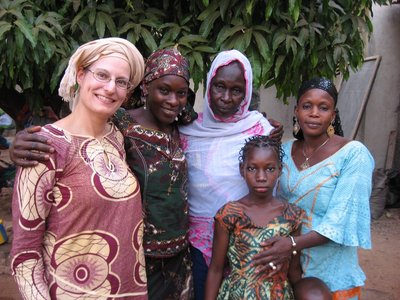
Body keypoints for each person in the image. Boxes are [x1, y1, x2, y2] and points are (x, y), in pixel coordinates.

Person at [10, 37, 148, 298]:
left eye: (121, 82)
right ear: (81, 75)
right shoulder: (46, 147)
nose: (110, 88)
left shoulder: (116, 137)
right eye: (102, 75)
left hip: (129, 290)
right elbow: (25, 256)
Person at [252, 78, 374, 299]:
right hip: (287, 266)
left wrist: (291, 244)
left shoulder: (353, 154)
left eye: (323, 107)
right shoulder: (285, 150)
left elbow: (341, 222)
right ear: (297, 111)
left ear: (333, 116)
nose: (314, 113)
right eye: (307, 106)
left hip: (330, 267)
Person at [178, 49, 280, 299]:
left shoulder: (261, 130)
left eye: (236, 90)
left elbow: (270, 188)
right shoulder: (187, 130)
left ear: (246, 94)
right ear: (209, 84)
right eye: (219, 87)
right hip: (198, 243)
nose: (225, 97)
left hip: (249, 241)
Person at [204, 135, 304, 299]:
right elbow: (216, 268)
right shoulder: (230, 213)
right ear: (241, 169)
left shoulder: (292, 215)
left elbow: (294, 271)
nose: (261, 177)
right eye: (252, 168)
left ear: (280, 170)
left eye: (269, 169)